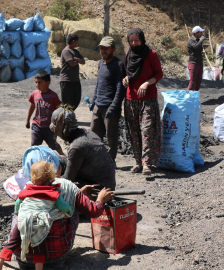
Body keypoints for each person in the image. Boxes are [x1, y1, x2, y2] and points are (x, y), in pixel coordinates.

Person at [0, 147, 114, 270]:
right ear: (54, 170)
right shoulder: (67, 187)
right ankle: (50, 261)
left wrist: (79, 193)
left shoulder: (26, 188)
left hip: (21, 256)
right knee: (72, 211)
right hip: (55, 260)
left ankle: (2, 260)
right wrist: (100, 199)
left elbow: (17, 208)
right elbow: (93, 211)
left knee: (20, 213)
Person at [122, 28, 163, 176]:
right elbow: (128, 73)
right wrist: (125, 78)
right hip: (130, 100)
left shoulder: (151, 54)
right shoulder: (128, 55)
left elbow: (159, 73)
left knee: (146, 131)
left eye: (136, 40)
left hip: (148, 100)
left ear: (142, 40)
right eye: (131, 41)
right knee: (134, 132)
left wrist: (147, 83)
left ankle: (147, 164)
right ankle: (138, 162)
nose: (134, 43)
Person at [50, 105, 116, 190]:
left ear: (61, 128)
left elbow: (67, 179)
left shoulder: (77, 147)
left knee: (58, 185)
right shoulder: (86, 132)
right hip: (106, 182)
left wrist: (49, 182)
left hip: (100, 188)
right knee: (59, 160)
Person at [90, 36, 126, 161]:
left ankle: (110, 162)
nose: (103, 51)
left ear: (113, 49)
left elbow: (120, 88)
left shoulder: (118, 65)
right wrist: (93, 100)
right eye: (101, 48)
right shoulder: (100, 63)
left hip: (110, 108)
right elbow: (98, 84)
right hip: (98, 106)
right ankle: (95, 160)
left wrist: (114, 106)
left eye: (106, 48)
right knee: (93, 136)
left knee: (111, 138)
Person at [26, 70, 64, 155]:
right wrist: (28, 120)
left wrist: (60, 123)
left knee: (53, 144)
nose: (37, 85)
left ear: (48, 83)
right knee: (34, 145)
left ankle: (64, 157)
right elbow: (32, 106)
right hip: (37, 125)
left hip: (49, 127)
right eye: (36, 82)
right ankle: (32, 160)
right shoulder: (34, 94)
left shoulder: (53, 95)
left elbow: (59, 109)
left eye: (40, 82)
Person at [60, 33, 85, 110]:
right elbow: (71, 63)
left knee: (76, 99)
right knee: (67, 102)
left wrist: (76, 59)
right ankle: (66, 118)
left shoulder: (76, 51)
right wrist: (78, 61)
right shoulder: (66, 51)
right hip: (67, 80)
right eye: (77, 41)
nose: (78, 43)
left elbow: (83, 61)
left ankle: (70, 115)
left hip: (75, 80)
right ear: (73, 41)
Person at [187, 26, 206, 90]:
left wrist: (203, 53)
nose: (202, 34)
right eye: (200, 32)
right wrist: (201, 40)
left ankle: (195, 97)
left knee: (198, 82)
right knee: (193, 81)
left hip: (199, 63)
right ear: (196, 33)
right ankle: (188, 97)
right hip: (193, 63)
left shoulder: (198, 40)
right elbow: (195, 47)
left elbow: (199, 49)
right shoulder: (191, 40)